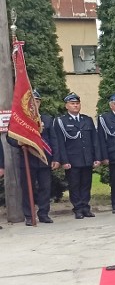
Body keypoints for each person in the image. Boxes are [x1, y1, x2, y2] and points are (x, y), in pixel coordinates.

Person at [6, 90, 58, 225]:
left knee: (45, 188)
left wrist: (56, 158)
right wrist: (19, 142)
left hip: (44, 159)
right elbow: (10, 137)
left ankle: (44, 214)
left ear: (40, 103)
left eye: (37, 101)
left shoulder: (47, 119)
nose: (34, 104)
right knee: (28, 188)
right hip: (27, 159)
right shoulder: (20, 119)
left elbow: (54, 140)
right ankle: (29, 216)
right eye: (32, 102)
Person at [53, 93, 102, 219]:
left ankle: (86, 207)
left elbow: (94, 140)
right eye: (72, 103)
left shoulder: (87, 120)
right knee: (74, 185)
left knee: (86, 184)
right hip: (72, 160)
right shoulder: (61, 121)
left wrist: (97, 157)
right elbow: (60, 143)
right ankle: (78, 209)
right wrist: (64, 160)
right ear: (66, 106)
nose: (75, 105)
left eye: (77, 103)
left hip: (87, 158)